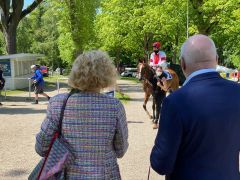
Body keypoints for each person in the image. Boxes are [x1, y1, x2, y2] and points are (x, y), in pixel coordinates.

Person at [150, 34, 240, 180]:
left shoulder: (174, 101)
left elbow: (161, 165)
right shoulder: (238, 92)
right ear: (216, 60)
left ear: (182, 63)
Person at [34, 50, 128, 179]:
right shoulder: (115, 106)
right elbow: (120, 150)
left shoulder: (58, 103)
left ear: (75, 73)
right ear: (108, 74)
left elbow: (41, 147)